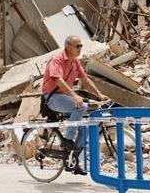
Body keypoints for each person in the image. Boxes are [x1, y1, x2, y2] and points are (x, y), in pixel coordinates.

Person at [42, 35, 108, 175]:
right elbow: (57, 80)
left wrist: (99, 94)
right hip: (53, 98)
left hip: (64, 98)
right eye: (77, 46)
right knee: (81, 106)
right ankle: (67, 139)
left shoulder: (75, 62)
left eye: (81, 46)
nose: (80, 48)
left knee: (86, 130)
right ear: (68, 47)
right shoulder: (57, 60)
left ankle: (72, 160)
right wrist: (74, 95)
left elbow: (85, 79)